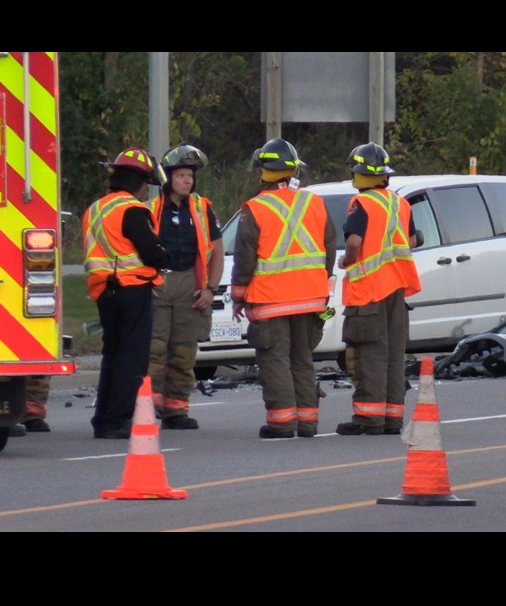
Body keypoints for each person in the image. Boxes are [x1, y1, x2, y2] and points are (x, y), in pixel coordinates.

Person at [231, 138, 337, 439]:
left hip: (271, 299)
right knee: (301, 359)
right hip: (312, 298)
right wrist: (319, 283)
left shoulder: (256, 208)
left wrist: (239, 297)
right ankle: (307, 422)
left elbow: (245, 257)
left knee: (275, 359)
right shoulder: (314, 201)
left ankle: (282, 422)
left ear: (262, 170)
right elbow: (329, 248)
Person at [82, 148, 170, 439]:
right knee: (131, 359)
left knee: (112, 355)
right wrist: (165, 257)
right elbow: (151, 252)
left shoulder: (96, 208)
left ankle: (103, 419)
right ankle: (117, 421)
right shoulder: (132, 209)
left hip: (104, 292)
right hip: (132, 290)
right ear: (140, 182)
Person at [336, 142, 422, 436]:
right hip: (397, 291)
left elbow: (355, 243)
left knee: (368, 356)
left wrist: (346, 260)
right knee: (393, 356)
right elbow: (411, 241)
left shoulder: (361, 204)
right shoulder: (400, 203)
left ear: (359, 174)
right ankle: (392, 419)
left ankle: (368, 419)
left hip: (369, 292)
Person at [146, 143, 224, 430]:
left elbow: (216, 250)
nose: (187, 181)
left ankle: (176, 410)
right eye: (181, 175)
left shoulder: (204, 209)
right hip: (158, 283)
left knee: (183, 351)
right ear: (168, 178)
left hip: (190, 284)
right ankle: (147, 407)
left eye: (190, 175)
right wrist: (146, 282)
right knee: (154, 349)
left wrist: (210, 289)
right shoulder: (151, 209)